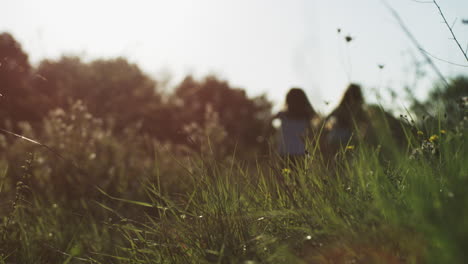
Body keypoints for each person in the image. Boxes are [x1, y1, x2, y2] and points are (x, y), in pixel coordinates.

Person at [273, 88, 318, 167]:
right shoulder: (307, 116)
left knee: (284, 178)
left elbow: (268, 123)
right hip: (300, 154)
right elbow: (313, 136)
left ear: (287, 100)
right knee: (300, 178)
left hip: (285, 154)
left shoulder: (282, 115)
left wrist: (267, 137)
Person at [324, 83, 369, 155]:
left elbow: (325, 119)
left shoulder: (341, 107)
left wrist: (330, 127)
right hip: (349, 138)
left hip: (334, 136)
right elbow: (367, 123)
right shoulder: (358, 109)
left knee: (333, 161)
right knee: (346, 161)